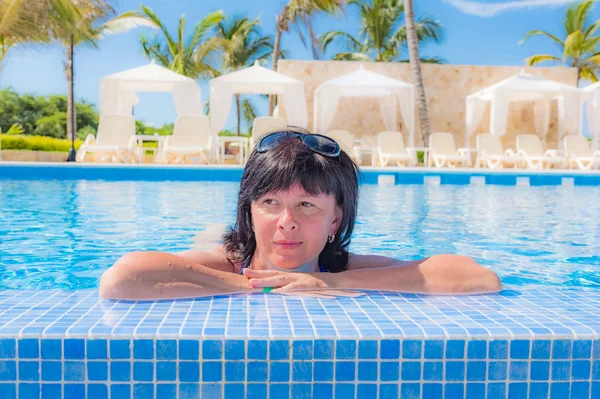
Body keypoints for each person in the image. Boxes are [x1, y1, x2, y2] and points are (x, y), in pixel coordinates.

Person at [100, 128, 502, 300]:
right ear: (250, 211)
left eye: (307, 205)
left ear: (336, 220)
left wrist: (327, 283)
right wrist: (254, 287)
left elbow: (479, 277)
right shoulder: (230, 261)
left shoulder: (341, 266)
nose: (286, 222)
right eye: (269, 204)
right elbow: (120, 278)